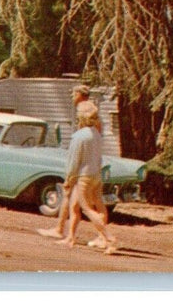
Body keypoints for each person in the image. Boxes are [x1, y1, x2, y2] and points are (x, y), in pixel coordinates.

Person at [38, 84, 107, 241]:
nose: (72, 97)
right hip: (90, 166)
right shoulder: (86, 111)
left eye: (74, 94)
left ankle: (103, 236)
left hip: (84, 167)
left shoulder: (87, 112)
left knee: (85, 203)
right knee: (77, 201)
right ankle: (65, 231)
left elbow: (89, 140)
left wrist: (73, 171)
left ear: (80, 95)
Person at [49, 101, 117, 254]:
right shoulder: (96, 135)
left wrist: (68, 179)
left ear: (81, 117)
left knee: (86, 208)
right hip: (96, 176)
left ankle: (109, 238)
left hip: (84, 177)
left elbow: (73, 161)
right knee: (75, 206)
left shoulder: (79, 137)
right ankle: (70, 238)